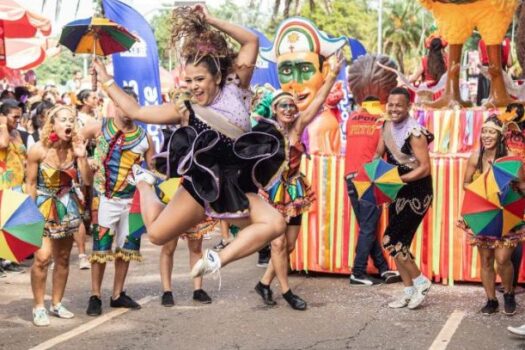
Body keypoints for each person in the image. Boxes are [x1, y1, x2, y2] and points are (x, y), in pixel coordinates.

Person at [92, 5, 287, 281]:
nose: (194, 86)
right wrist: (107, 81)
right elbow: (136, 112)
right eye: (189, 80)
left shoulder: (236, 87)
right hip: (200, 185)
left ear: (217, 77)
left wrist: (209, 19)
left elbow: (250, 40)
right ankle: (145, 184)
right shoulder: (185, 108)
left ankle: (216, 259)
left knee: (275, 223)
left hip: (235, 185)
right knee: (158, 235)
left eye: (200, 79)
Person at [80, 87, 155, 316]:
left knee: (126, 248)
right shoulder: (99, 127)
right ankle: (95, 295)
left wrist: (145, 178)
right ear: (115, 103)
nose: (128, 110)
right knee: (101, 248)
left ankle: (117, 294)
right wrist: (88, 158)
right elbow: (77, 140)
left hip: (132, 202)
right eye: (123, 104)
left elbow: (152, 169)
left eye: (132, 105)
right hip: (105, 197)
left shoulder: (144, 137)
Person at [27, 105, 91, 326]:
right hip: (42, 206)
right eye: (63, 119)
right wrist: (30, 214)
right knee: (43, 257)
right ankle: (38, 306)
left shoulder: (76, 149)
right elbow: (31, 183)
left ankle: (56, 303)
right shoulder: (38, 150)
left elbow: (88, 181)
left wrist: (82, 158)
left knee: (63, 258)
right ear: (52, 123)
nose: (69, 123)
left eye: (72, 120)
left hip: (67, 205)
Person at [459, 115, 524, 315]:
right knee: (486, 259)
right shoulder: (475, 157)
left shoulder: (511, 159)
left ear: (501, 135)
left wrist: (513, 188)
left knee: (503, 259)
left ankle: (509, 293)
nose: (486, 136)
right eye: (484, 132)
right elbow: (465, 184)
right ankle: (491, 300)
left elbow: (523, 186)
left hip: (507, 215)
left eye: (491, 132)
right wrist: (483, 187)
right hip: (485, 213)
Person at [376, 87, 434, 310]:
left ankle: (421, 281)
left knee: (391, 240)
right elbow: (377, 155)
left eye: (399, 105)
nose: (393, 109)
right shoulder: (386, 126)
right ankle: (409, 291)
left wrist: (400, 181)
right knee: (398, 245)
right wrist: (371, 174)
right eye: (390, 104)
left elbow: (425, 168)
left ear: (408, 106)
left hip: (417, 191)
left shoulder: (415, 132)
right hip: (396, 190)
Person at [344, 96, 401, 285]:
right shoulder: (383, 122)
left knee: (366, 228)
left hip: (350, 177)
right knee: (368, 227)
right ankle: (358, 271)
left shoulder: (351, 118)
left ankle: (383, 269)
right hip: (369, 177)